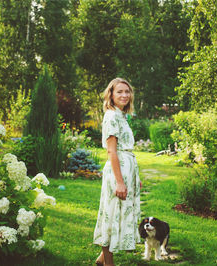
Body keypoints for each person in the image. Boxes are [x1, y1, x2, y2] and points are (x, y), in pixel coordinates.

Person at [93, 78, 141, 266]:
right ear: (111, 95)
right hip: (117, 171)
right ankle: (108, 263)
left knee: (119, 214)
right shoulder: (111, 116)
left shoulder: (121, 115)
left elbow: (125, 148)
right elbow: (112, 151)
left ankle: (101, 258)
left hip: (127, 169)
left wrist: (134, 179)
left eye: (127, 92)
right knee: (111, 215)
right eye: (119, 92)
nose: (124, 95)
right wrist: (120, 182)